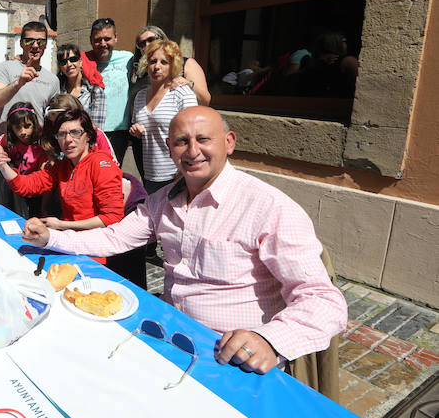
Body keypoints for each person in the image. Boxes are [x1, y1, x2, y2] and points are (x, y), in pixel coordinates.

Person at [22, 106, 347, 374]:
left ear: (229, 142)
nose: (192, 151)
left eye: (203, 139)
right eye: (181, 141)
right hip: (168, 338)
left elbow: (324, 302)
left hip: (232, 362)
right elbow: (115, 237)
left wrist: (270, 340)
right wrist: (52, 237)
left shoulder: (268, 207)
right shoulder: (163, 200)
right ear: (169, 148)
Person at [0, 107, 123, 234]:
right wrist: (3, 165)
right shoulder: (64, 166)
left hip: (94, 247)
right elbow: (27, 185)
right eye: (62, 134)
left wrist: (62, 225)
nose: (68, 140)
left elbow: (112, 218)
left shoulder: (100, 164)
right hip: (67, 239)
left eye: (75, 132)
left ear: (88, 136)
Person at [129, 39, 198, 194]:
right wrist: (136, 131)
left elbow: (195, 134)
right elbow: (139, 130)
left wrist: (183, 172)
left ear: (172, 66)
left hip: (177, 176)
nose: (157, 67)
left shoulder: (181, 94)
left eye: (164, 62)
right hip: (150, 176)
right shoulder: (140, 96)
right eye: (153, 61)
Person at [0, 21, 59, 135]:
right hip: (7, 144)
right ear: (21, 43)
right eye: (29, 41)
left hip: (37, 147)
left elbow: (53, 117)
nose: (35, 45)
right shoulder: (5, 68)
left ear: (46, 45)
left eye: (40, 41)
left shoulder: (53, 80)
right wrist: (18, 83)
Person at [83, 18, 132, 164]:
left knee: (113, 173)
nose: (103, 44)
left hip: (119, 132)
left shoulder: (128, 59)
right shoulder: (82, 61)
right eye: (98, 40)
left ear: (116, 38)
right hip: (91, 130)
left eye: (107, 39)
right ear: (91, 40)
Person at [0, 102, 47, 219]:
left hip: (35, 191)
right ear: (11, 128)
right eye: (18, 127)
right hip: (15, 190)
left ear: (34, 124)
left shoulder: (41, 142)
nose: (23, 132)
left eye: (27, 126)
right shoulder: (9, 140)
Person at [134, 25, 210, 105]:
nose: (147, 45)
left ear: (162, 39)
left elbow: (205, 101)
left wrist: (189, 85)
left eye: (151, 39)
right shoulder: (140, 72)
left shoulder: (186, 63)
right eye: (141, 44)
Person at [57, 43, 106, 128]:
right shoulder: (57, 92)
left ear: (80, 62)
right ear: (60, 67)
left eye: (73, 59)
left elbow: (97, 128)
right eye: (63, 62)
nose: (69, 64)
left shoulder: (95, 92)